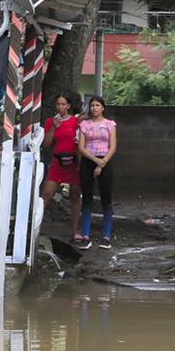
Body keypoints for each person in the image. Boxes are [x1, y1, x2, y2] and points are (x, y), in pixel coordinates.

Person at [40, 94, 83, 244]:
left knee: (75, 195)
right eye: (58, 104)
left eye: (63, 104)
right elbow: (46, 145)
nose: (60, 107)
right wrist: (53, 127)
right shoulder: (50, 121)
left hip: (73, 161)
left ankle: (75, 230)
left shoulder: (76, 121)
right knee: (46, 193)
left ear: (69, 106)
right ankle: (34, 228)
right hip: (57, 161)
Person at [77, 96, 117, 250]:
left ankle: (106, 236)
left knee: (106, 198)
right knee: (86, 198)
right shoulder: (84, 124)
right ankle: (85, 235)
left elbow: (112, 146)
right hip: (88, 160)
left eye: (97, 105)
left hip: (105, 161)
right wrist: (95, 161)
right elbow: (81, 147)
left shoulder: (110, 125)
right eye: (92, 105)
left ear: (103, 108)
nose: (94, 108)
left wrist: (102, 162)